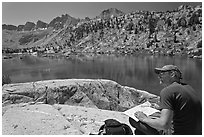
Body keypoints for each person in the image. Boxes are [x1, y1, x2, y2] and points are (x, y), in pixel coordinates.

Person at [129, 65, 202, 135]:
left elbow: (164, 125)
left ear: (172, 74)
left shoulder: (167, 91)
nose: (159, 76)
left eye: (162, 73)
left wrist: (144, 118)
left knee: (134, 120)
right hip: (196, 132)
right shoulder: (188, 87)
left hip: (177, 133)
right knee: (149, 121)